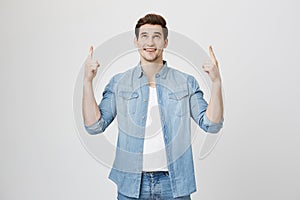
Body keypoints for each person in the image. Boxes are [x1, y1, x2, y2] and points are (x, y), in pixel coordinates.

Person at [82, 13, 224, 200]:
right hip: (131, 185)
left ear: (165, 42)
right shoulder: (119, 83)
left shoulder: (185, 82)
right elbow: (94, 126)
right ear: (136, 41)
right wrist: (87, 81)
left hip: (174, 186)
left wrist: (216, 82)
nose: (150, 42)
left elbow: (211, 124)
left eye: (157, 36)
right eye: (145, 36)